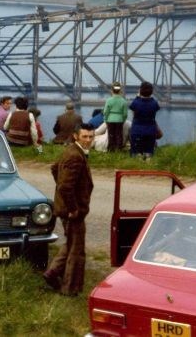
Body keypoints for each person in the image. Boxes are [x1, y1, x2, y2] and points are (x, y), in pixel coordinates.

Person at [43, 123, 95, 296]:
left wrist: (61, 191)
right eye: (85, 137)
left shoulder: (71, 150)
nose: (88, 140)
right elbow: (66, 186)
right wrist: (72, 208)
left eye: (91, 136)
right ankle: (70, 289)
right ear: (76, 136)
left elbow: (54, 168)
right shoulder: (75, 156)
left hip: (66, 208)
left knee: (71, 243)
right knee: (77, 250)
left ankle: (52, 274)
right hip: (73, 211)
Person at [129, 81, 161, 159]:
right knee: (149, 152)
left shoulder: (135, 102)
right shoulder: (154, 103)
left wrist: (137, 96)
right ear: (152, 91)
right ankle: (147, 161)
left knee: (136, 153)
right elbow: (156, 109)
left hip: (137, 130)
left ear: (140, 91)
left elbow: (133, 113)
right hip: (150, 130)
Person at [103, 81, 128, 152]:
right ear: (120, 90)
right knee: (119, 135)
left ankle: (111, 149)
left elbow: (105, 112)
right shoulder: (123, 101)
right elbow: (125, 114)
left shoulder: (109, 100)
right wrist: (123, 120)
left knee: (111, 135)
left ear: (112, 90)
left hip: (110, 119)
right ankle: (119, 149)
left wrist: (105, 119)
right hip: (119, 119)